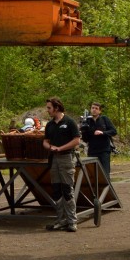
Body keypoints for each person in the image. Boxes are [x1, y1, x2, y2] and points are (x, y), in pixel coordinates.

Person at [41, 97, 81, 232]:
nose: (47, 110)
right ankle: (60, 220)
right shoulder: (50, 125)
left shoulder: (69, 122)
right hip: (54, 160)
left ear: (56, 108)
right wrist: (49, 147)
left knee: (67, 189)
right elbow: (45, 141)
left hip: (67, 158)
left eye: (49, 108)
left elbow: (76, 141)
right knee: (56, 190)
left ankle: (72, 221)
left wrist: (61, 148)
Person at [81, 101, 118, 182]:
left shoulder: (104, 119)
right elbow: (85, 139)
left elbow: (114, 131)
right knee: (92, 173)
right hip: (92, 151)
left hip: (104, 150)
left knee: (105, 172)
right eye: (92, 108)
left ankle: (107, 192)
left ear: (100, 111)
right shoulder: (87, 121)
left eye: (96, 108)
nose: (94, 110)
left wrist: (103, 133)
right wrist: (83, 131)